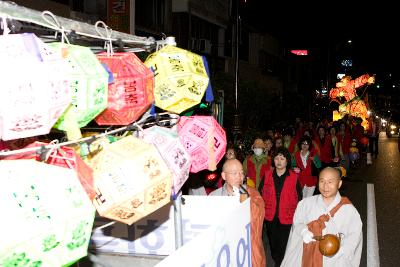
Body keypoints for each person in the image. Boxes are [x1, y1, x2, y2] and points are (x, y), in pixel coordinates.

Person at [281, 167, 363, 267]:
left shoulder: (349, 211)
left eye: (330, 182)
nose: (325, 186)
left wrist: (339, 251)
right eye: (322, 181)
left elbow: (354, 237)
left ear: (339, 184)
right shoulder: (305, 204)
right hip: (305, 255)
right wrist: (303, 231)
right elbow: (297, 223)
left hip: (334, 261)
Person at [209, 159, 266, 267]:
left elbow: (259, 216)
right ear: (224, 176)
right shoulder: (213, 197)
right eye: (234, 173)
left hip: (246, 249)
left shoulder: (251, 193)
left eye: (241, 173)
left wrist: (243, 201)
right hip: (223, 251)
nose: (240, 177)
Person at [260, 147, 302, 266]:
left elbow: (299, 197)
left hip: (287, 217)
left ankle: (280, 263)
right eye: (277, 158)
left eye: (282, 158)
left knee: (284, 244)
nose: (279, 161)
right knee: (273, 244)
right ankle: (277, 260)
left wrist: (297, 215)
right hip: (270, 216)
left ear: (287, 161)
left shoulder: (293, 177)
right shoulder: (267, 175)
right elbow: (260, 193)